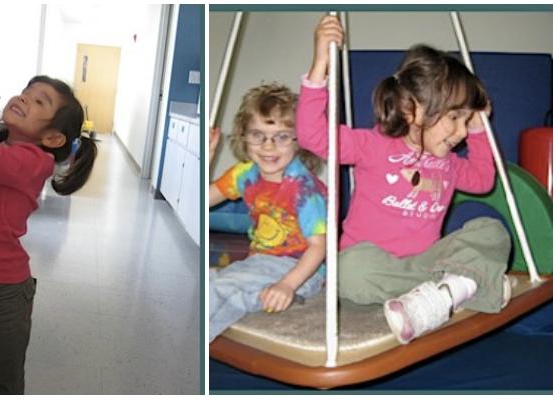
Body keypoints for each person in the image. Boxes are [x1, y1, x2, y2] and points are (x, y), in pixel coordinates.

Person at [296, 15, 511, 345]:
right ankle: (464, 286)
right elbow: (311, 136)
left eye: (467, 121)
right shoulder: (372, 145)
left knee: (491, 231)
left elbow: (483, 180)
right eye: (455, 117)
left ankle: (446, 291)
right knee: (349, 269)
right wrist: (320, 64)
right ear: (411, 111)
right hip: (375, 270)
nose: (462, 132)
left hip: (427, 261)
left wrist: (481, 129)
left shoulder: (450, 163)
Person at [0, 76, 97, 393]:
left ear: (54, 139)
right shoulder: (7, 148)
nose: (24, 98)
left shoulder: (32, 161)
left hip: (3, 290)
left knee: (2, 379)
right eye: (26, 92)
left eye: (39, 101)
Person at [209, 83, 328, 343]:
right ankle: (257, 294)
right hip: (260, 262)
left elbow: (319, 247)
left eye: (282, 136)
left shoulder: (304, 188)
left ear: (300, 141)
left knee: (220, 291)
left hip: (301, 270)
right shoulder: (245, 173)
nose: (268, 146)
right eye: (258, 134)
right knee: (208, 282)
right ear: (244, 137)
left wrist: (287, 284)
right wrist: (205, 160)